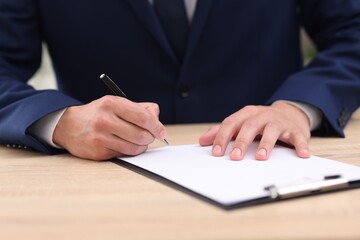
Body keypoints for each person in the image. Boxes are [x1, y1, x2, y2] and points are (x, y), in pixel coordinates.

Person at [0, 0, 359, 161]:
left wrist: (297, 107)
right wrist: (60, 122)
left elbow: (352, 32)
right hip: (102, 197)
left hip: (264, 170)